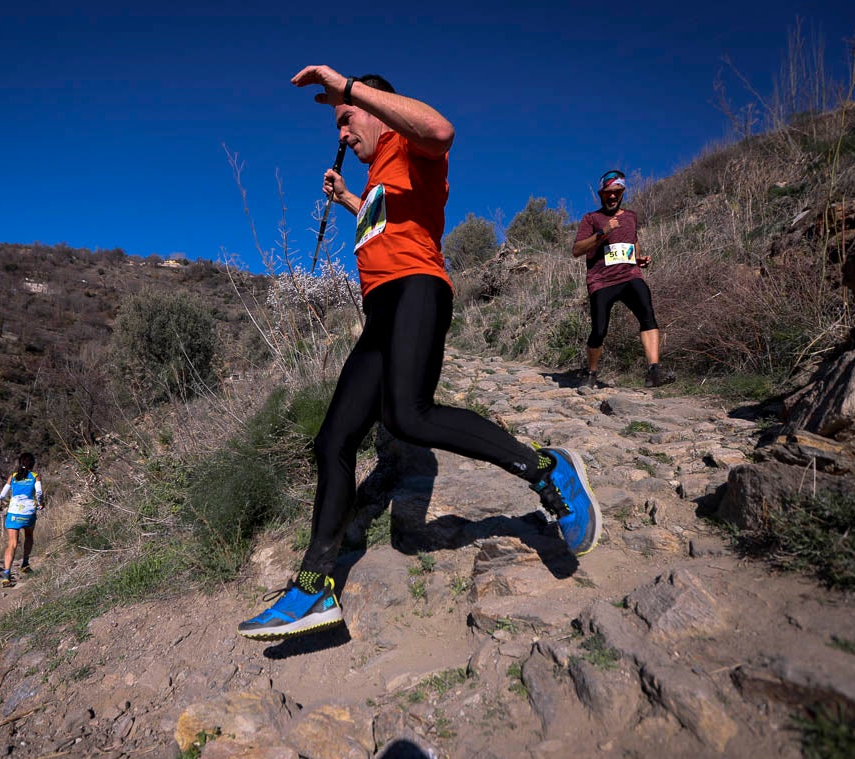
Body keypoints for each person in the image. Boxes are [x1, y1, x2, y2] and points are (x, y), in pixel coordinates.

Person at [238, 66, 602, 641]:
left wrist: (346, 87)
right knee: (332, 440)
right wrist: (350, 198)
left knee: (408, 416)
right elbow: (387, 226)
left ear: (375, 107)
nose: (342, 133)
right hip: (381, 309)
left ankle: (546, 468)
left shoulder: (410, 146)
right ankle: (314, 586)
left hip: (417, 290)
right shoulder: (378, 179)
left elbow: (442, 131)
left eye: (346, 120)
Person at [571, 170, 675, 389]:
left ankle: (654, 371)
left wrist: (638, 258)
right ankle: (591, 373)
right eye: (607, 192)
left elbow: (632, 242)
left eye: (617, 192)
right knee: (599, 330)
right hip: (601, 281)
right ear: (601, 194)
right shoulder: (591, 219)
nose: (612, 196)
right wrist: (603, 232)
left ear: (622, 192)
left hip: (630, 276)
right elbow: (577, 250)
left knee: (647, 315)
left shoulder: (631, 216)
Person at [0, 452, 45, 587]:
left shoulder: (12, 477)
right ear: (32, 464)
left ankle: (6, 575)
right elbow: (39, 493)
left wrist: (6, 503)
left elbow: (2, 495)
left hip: (13, 513)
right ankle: (25, 564)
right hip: (28, 513)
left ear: (20, 463)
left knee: (12, 543)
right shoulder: (35, 476)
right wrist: (41, 503)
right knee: (29, 536)